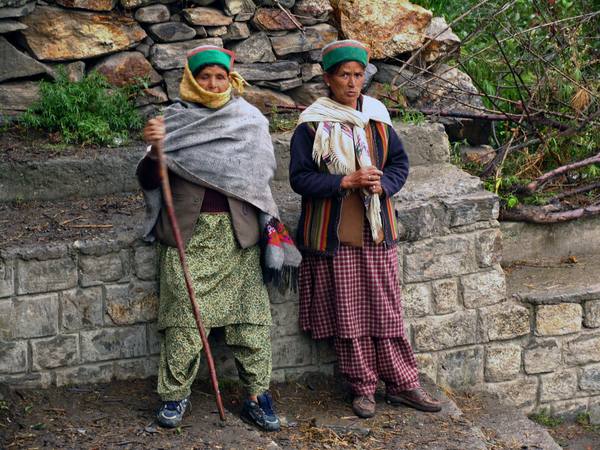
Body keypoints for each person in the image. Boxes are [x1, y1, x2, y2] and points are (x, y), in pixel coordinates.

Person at [137, 45, 299, 431]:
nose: (212, 83)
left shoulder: (250, 121)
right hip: (187, 239)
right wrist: (156, 151)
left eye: (220, 76)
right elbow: (147, 181)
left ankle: (257, 398)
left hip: (238, 238)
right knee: (184, 320)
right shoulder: (172, 122)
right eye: (204, 76)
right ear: (191, 80)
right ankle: (175, 396)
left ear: (231, 80)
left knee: (251, 322)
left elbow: (260, 177)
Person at [289, 40, 441, 419]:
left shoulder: (377, 117)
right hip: (337, 236)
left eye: (358, 75)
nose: (352, 83)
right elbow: (299, 179)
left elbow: (399, 165)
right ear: (328, 78)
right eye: (344, 75)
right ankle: (363, 388)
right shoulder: (312, 124)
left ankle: (404, 384)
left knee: (387, 311)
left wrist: (382, 185)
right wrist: (345, 181)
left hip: (376, 231)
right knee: (351, 314)